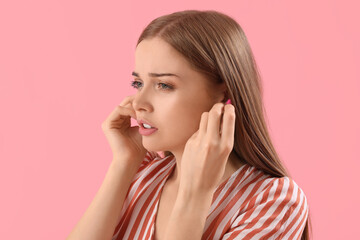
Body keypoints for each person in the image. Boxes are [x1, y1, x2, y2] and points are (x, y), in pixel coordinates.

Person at [67, 10, 311, 240]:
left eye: (164, 85)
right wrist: (124, 162)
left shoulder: (272, 200)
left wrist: (196, 194)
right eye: (138, 83)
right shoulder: (141, 174)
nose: (139, 103)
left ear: (223, 95)